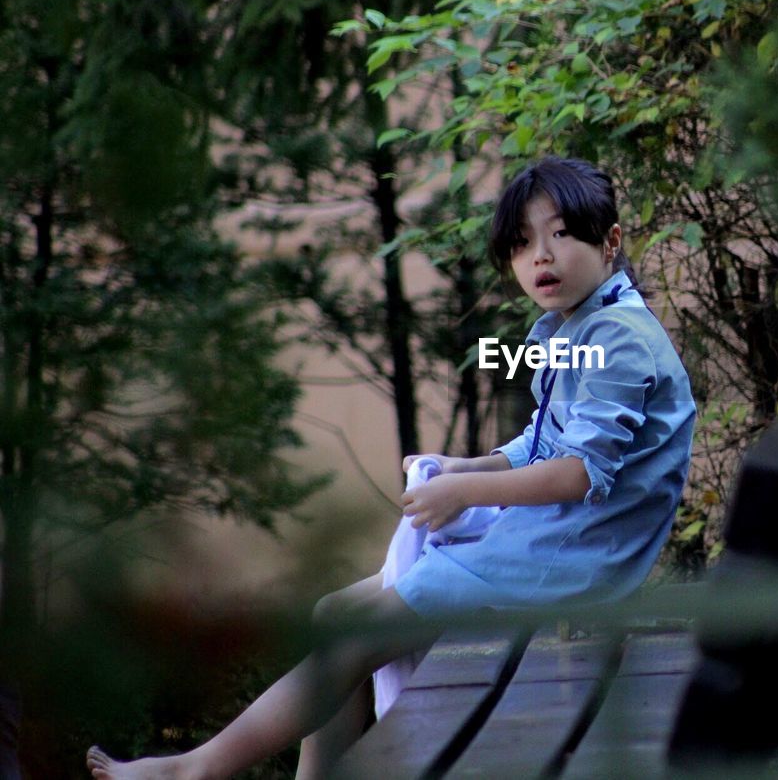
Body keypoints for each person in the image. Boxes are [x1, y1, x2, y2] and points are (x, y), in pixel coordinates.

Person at [86, 156, 697, 780]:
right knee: (333, 615)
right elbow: (545, 445)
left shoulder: (615, 338)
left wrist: (463, 492)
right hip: (551, 546)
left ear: (611, 240)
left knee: (353, 634)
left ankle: (197, 769)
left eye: (561, 233)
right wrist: (465, 464)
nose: (541, 256)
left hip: (569, 563)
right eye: (521, 243)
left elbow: (576, 473)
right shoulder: (581, 328)